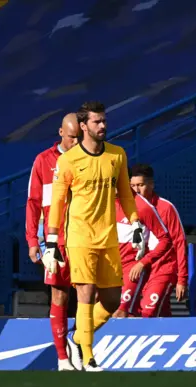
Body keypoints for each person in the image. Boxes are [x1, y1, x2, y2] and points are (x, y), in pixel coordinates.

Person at [46, 101, 144, 372]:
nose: (103, 126)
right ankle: (88, 357)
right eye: (97, 121)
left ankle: (77, 337)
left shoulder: (117, 155)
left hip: (108, 237)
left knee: (113, 300)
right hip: (79, 237)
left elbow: (125, 193)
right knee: (86, 295)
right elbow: (57, 202)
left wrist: (135, 223)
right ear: (84, 126)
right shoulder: (67, 161)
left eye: (104, 120)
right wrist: (51, 241)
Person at [25, 113, 80, 371]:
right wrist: (33, 240)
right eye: (71, 137)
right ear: (60, 133)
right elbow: (34, 203)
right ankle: (62, 358)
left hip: (85, 239)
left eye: (79, 138)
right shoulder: (43, 161)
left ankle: (80, 344)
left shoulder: (89, 159)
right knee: (59, 295)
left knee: (90, 294)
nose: (75, 142)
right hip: (55, 241)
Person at [121, 164, 188, 317]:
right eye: (132, 186)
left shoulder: (166, 208)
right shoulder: (129, 208)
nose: (136, 190)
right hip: (140, 271)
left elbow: (179, 243)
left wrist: (182, 279)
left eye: (140, 185)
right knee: (153, 313)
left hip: (163, 269)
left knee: (147, 311)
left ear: (151, 184)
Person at [113, 190, 171, 318]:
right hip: (111, 268)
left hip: (132, 268)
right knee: (106, 309)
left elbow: (165, 240)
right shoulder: (106, 202)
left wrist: (142, 263)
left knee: (121, 313)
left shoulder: (143, 207)